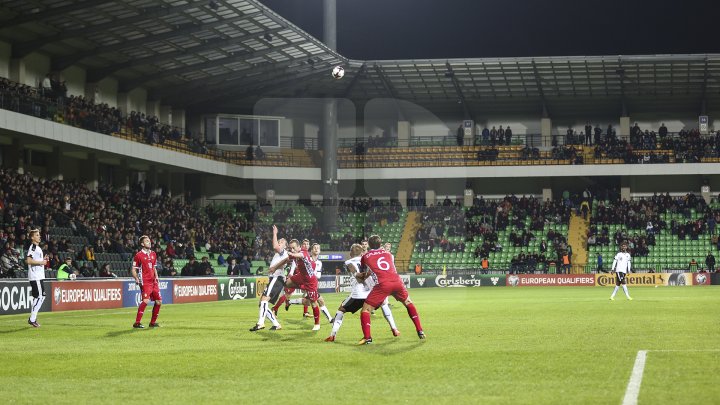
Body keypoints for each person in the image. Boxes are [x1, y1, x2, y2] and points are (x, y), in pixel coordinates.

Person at [356, 235, 425, 344]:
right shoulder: (388, 254)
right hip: (397, 281)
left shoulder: (365, 256)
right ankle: (420, 330)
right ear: (380, 244)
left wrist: (357, 275)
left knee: (365, 310)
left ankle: (367, 337)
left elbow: (363, 272)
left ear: (369, 245)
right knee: (408, 303)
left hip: (383, 284)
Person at [325, 243, 399, 342]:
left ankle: (332, 335)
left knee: (341, 309)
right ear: (361, 253)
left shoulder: (348, 262)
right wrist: (368, 274)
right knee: (384, 303)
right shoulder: (367, 260)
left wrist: (359, 275)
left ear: (350, 253)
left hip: (358, 295)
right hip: (371, 292)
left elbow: (356, 275)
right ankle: (394, 328)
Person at [250, 225, 287, 331]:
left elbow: (275, 246)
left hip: (276, 278)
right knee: (262, 303)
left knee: (264, 300)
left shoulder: (283, 252)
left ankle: (260, 323)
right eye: (279, 241)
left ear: (285, 246)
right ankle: (276, 324)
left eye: (282, 241)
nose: (279, 242)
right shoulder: (279, 255)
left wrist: (275, 233)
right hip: (274, 279)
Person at [283, 238, 321, 331]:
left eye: (293, 248)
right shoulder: (295, 254)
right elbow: (287, 258)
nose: (292, 249)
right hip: (301, 276)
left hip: (310, 280)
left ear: (299, 247)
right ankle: (300, 288)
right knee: (286, 283)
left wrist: (288, 252)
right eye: (290, 248)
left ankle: (317, 324)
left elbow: (296, 254)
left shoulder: (303, 252)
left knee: (313, 302)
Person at [131, 235, 162, 328]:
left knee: (159, 301)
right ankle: (137, 322)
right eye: (147, 241)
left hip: (153, 281)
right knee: (146, 300)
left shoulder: (153, 254)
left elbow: (153, 267)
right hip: (145, 281)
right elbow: (133, 269)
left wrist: (157, 277)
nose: (149, 242)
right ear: (142, 244)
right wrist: (136, 278)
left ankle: (152, 323)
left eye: (149, 241)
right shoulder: (138, 255)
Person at [26, 229, 47, 328]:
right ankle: (32, 319)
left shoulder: (37, 248)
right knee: (39, 297)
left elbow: (36, 260)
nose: (39, 236)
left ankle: (33, 318)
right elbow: (29, 260)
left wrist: (43, 260)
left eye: (39, 235)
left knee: (41, 297)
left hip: (39, 276)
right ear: (32, 237)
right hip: (35, 276)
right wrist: (41, 262)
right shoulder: (33, 247)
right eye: (37, 235)